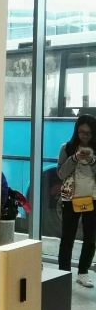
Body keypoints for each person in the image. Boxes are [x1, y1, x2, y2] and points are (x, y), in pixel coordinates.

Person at [57, 114, 96, 288]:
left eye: (88, 133)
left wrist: (92, 160)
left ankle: (83, 273)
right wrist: (74, 158)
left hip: (93, 198)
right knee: (67, 237)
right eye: (81, 132)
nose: (84, 136)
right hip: (71, 198)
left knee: (91, 238)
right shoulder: (66, 148)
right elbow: (61, 174)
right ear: (76, 131)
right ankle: (63, 274)